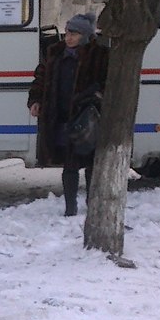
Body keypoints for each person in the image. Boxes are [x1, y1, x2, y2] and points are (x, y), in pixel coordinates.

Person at [27, 12, 109, 216]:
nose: (68, 38)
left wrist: (97, 97)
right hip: (61, 115)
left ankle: (93, 203)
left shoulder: (99, 55)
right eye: (67, 33)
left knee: (91, 163)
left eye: (74, 34)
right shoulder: (55, 53)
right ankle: (70, 207)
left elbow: (108, 83)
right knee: (69, 164)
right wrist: (35, 100)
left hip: (88, 117)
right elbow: (40, 78)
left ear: (86, 35)